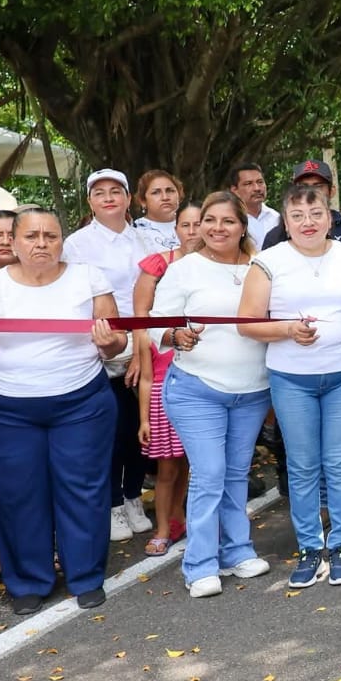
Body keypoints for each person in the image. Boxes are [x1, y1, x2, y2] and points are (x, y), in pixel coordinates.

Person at [0, 207, 125, 613]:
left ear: (63, 239)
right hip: (8, 408)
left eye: (51, 235)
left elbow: (115, 345)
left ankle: (85, 576)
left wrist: (108, 341)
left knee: (83, 489)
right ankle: (28, 580)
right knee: (17, 495)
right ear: (13, 240)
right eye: (31, 236)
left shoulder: (88, 277)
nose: (42, 244)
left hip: (81, 401)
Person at [240, 183, 341, 589]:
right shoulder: (267, 262)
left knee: (340, 463)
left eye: (316, 213)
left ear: (330, 216)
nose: (308, 223)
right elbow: (247, 323)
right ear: (285, 222)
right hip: (292, 379)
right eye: (298, 216)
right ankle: (309, 547)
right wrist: (287, 329)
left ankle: (340, 546)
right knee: (304, 466)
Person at [151, 192, 273, 599]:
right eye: (210, 220)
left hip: (253, 391)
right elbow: (155, 325)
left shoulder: (263, 266)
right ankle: (200, 564)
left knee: (237, 474)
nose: (218, 228)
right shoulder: (184, 270)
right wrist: (174, 335)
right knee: (210, 475)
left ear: (243, 227)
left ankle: (237, 550)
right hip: (196, 390)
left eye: (228, 221)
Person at [261, 159, 341, 523]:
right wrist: (287, 329)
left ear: (330, 194)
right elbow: (257, 314)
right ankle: (317, 506)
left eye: (319, 187)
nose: (308, 219)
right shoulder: (275, 242)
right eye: (304, 185)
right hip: (293, 371)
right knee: (305, 449)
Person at [62, 167, 156, 542]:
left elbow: (151, 298)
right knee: (111, 430)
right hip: (98, 347)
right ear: (90, 202)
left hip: (142, 343)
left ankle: (134, 496)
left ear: (129, 198)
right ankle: (113, 503)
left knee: (138, 429)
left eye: (115, 191)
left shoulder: (145, 241)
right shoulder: (76, 244)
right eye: (99, 193)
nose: (108, 198)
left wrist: (140, 351)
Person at [132, 199, 203, 555]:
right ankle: (162, 526)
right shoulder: (159, 267)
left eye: (198, 224)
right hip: (163, 383)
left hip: (203, 379)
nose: (193, 232)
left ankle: (179, 517)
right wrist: (144, 416)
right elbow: (141, 322)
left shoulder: (220, 265)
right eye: (186, 225)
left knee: (189, 463)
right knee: (167, 468)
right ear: (175, 229)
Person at [228, 163, 280, 250]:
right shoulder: (228, 219)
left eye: (260, 182)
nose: (257, 188)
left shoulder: (276, 218)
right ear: (234, 190)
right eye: (248, 184)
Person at [134, 169, 184, 250]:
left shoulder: (193, 224)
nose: (165, 197)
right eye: (156, 192)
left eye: (170, 191)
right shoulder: (135, 232)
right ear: (143, 201)